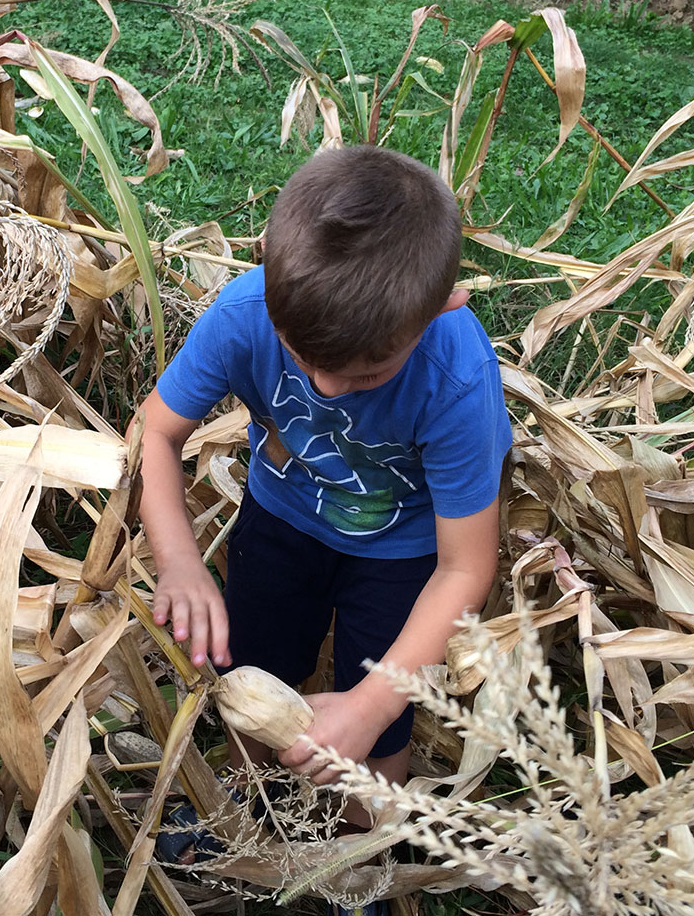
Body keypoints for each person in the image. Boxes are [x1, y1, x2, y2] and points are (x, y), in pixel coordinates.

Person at [138, 146, 511, 911]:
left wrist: (372, 702)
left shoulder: (456, 377)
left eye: (367, 374)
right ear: (264, 262)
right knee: (250, 679)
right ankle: (242, 811)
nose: (327, 386)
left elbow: (465, 567)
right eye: (303, 358)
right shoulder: (244, 314)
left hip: (407, 555)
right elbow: (155, 434)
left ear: (445, 305)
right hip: (283, 521)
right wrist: (177, 558)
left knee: (375, 739)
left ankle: (358, 863)